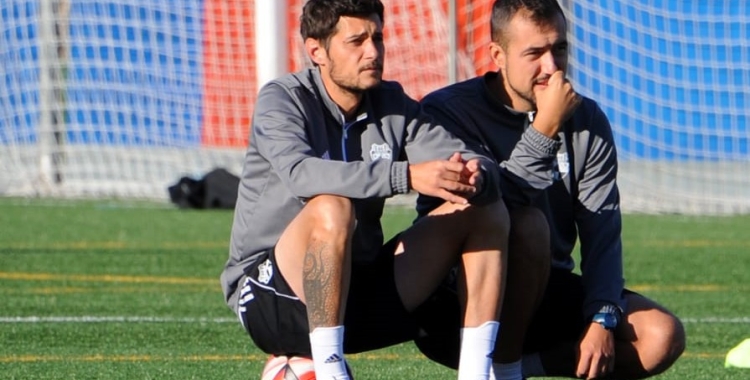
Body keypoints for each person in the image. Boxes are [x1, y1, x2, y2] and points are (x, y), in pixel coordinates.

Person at [218, 0, 556, 379]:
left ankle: (481, 373)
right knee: (333, 207)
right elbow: (301, 174)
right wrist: (405, 176)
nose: (373, 52)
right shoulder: (283, 99)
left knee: (484, 209)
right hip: (271, 299)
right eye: (356, 41)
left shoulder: (392, 103)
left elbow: (460, 156)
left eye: (378, 37)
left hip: (355, 292)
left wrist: (476, 173)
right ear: (316, 50)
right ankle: (330, 371)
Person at [413, 1, 686, 379]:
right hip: (457, 301)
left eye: (559, 48)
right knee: (527, 225)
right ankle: (504, 369)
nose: (552, 67)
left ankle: (519, 368)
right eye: (534, 53)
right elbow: (486, 203)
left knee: (662, 336)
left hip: (542, 289)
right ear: (498, 54)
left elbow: (601, 232)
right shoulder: (448, 112)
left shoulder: (587, 119)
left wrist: (602, 317)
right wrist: (544, 129)